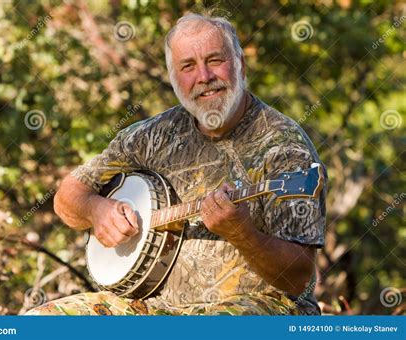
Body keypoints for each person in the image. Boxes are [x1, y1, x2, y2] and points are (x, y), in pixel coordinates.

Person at [26, 12, 327, 316]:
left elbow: (298, 279)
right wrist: (95, 210)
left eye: (214, 60)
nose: (204, 76)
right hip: (155, 310)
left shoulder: (285, 148)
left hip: (262, 309)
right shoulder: (151, 136)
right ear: (174, 79)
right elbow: (68, 196)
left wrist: (243, 234)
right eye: (188, 66)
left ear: (240, 65)